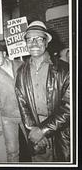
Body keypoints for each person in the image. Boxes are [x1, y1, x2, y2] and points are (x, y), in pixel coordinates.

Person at [15, 21, 70, 162]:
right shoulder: (21, 71)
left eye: (39, 39)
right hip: (35, 132)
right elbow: (22, 104)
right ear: (26, 43)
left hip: (61, 132)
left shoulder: (65, 70)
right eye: (30, 39)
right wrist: (33, 130)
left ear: (46, 43)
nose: (34, 43)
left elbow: (70, 107)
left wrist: (43, 130)